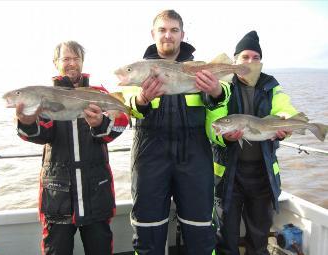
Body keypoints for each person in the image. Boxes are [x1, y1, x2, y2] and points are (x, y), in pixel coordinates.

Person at [15, 41, 129, 255]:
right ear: (56, 63)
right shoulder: (44, 96)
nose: (72, 63)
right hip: (57, 195)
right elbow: (41, 135)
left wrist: (101, 124)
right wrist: (27, 122)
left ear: (82, 62)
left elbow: (122, 123)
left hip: (96, 192)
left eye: (76, 58)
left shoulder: (99, 92)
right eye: (66, 59)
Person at [127, 10, 224, 255]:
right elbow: (124, 106)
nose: (167, 35)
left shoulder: (201, 70)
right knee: (147, 231)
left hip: (195, 159)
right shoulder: (137, 71)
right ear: (153, 34)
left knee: (201, 232)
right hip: (149, 159)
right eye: (162, 30)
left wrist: (217, 93)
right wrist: (141, 99)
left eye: (173, 30)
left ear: (182, 34)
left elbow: (218, 113)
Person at [209, 31, 298, 255]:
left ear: (261, 61)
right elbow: (212, 121)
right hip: (228, 175)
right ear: (235, 60)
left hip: (262, 175)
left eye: (255, 57)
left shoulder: (271, 86)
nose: (250, 62)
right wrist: (223, 136)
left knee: (259, 239)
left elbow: (285, 108)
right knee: (225, 237)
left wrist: (286, 121)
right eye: (245, 57)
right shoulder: (222, 85)